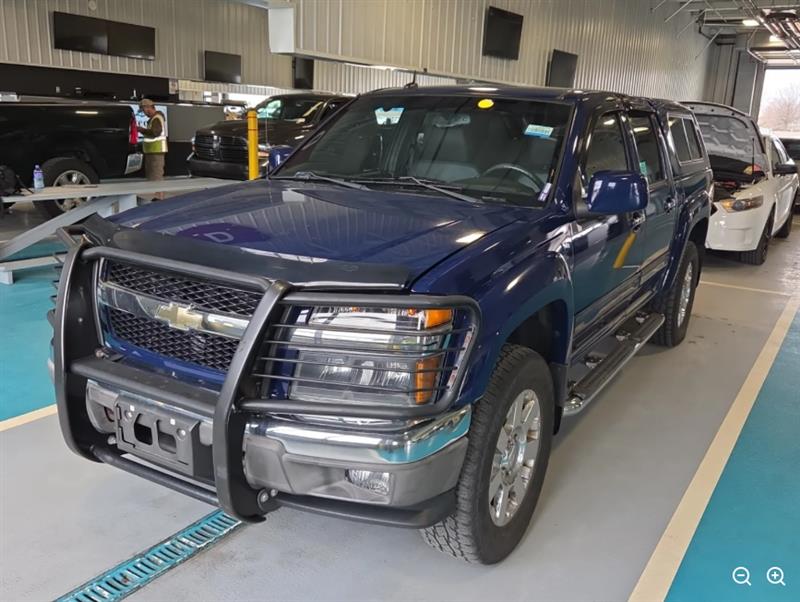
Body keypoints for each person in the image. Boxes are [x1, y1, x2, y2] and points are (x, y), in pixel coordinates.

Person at [137, 98, 167, 199]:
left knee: (157, 175)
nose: (144, 113)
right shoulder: (154, 119)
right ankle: (157, 196)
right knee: (153, 175)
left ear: (148, 108)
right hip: (152, 151)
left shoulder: (157, 118)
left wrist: (142, 130)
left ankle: (159, 197)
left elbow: (155, 132)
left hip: (156, 151)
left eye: (144, 110)